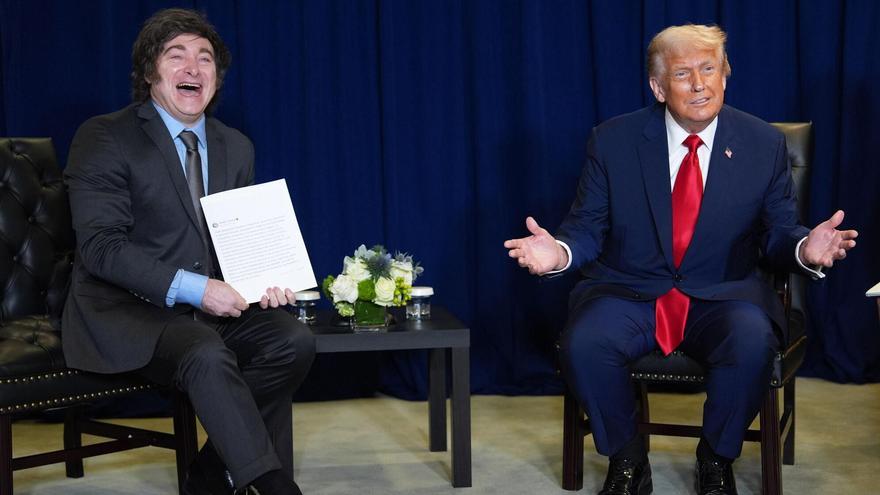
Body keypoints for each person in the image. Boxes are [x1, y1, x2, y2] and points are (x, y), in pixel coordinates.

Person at [504, 24, 857, 495]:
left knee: (752, 341)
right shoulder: (612, 141)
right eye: (683, 73)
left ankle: (715, 460)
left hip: (724, 294)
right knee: (584, 342)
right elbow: (586, 228)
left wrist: (802, 249)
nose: (699, 84)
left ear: (725, 76)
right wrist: (559, 254)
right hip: (630, 290)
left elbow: (778, 232)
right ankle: (628, 460)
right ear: (657, 86)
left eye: (710, 69)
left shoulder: (760, 143)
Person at [62, 8, 314, 495]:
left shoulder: (235, 146)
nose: (192, 68)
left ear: (217, 80)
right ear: (149, 73)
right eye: (175, 56)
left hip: (207, 312)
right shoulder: (104, 136)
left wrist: (264, 280)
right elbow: (100, 248)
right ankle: (271, 484)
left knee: (292, 340)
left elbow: (233, 242)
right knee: (204, 350)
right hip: (126, 311)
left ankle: (207, 473)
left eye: (205, 59)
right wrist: (199, 290)